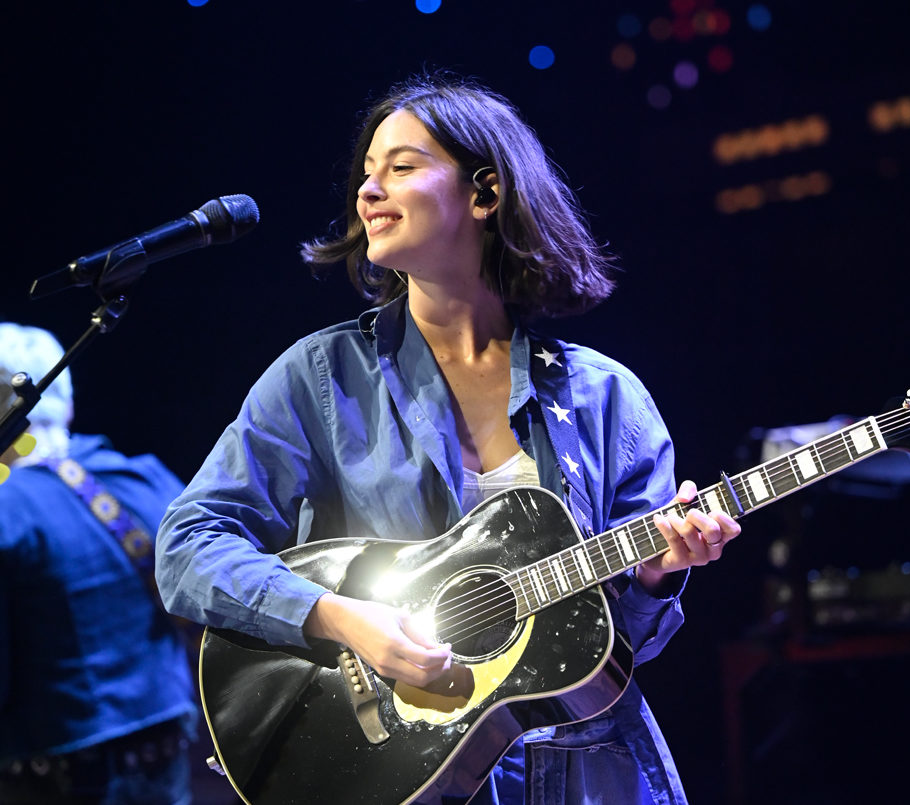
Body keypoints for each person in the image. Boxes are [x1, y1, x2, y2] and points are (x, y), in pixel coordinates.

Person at [155, 72, 741, 804]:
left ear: (484, 193)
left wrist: (659, 571)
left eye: (399, 167)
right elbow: (185, 544)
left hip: (586, 773)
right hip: (399, 779)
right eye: (365, 173)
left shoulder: (605, 397)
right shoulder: (321, 375)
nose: (367, 191)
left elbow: (625, 645)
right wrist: (338, 617)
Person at [0, 323, 197, 805]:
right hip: (168, 753)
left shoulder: (8, 509)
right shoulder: (146, 478)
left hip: (54, 773)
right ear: (65, 398)